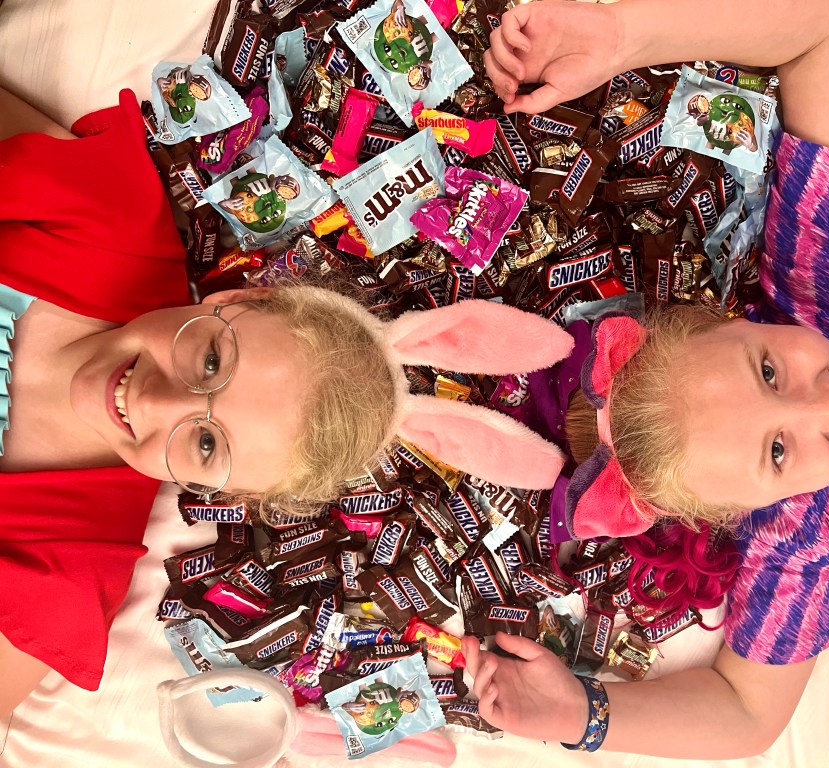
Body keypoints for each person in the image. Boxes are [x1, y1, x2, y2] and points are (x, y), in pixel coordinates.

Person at [464, 0, 829, 758]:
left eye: (768, 370)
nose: (824, 405)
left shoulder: (828, 271)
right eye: (778, 453)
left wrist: (624, 37)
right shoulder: (804, 531)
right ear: (742, 508)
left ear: (728, 318)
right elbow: (745, 713)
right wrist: (585, 718)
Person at [0, 85, 573, 719]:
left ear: (221, 491)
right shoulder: (104, 218)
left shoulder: (61, 577)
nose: (155, 402)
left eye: (206, 443)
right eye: (209, 360)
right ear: (238, 300)